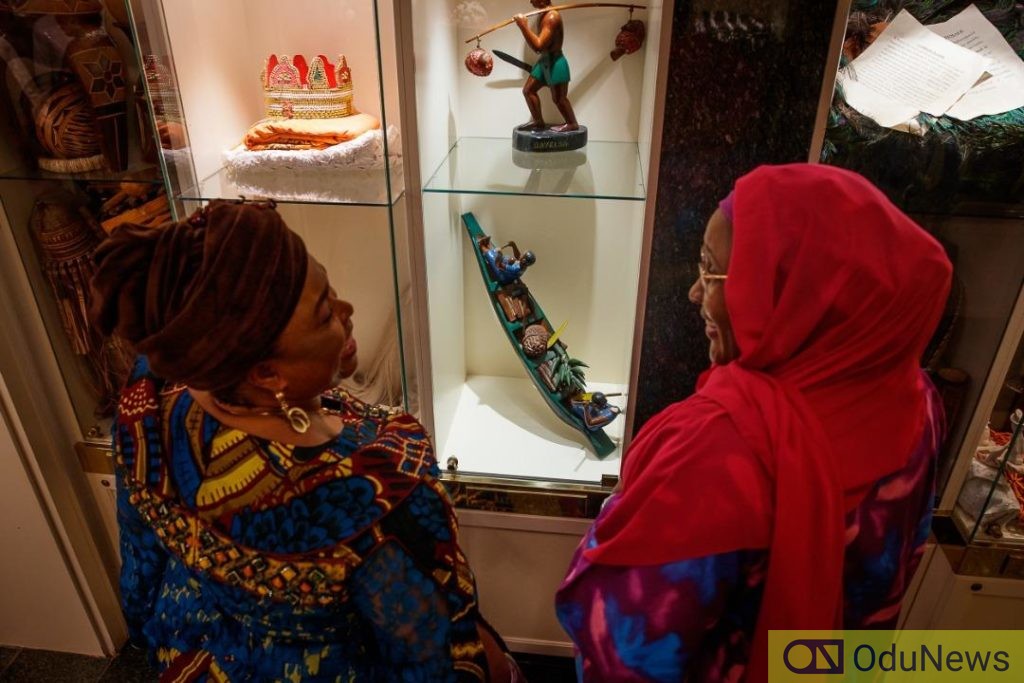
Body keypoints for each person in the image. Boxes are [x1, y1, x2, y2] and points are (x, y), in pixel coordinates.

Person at [91, 200, 518, 682]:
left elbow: (141, 564)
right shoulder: (373, 492)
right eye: (323, 316)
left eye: (327, 286)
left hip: (191, 643)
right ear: (267, 372)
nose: (347, 310)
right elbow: (437, 660)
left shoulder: (149, 394)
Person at [555, 164, 952, 682]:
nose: (695, 294)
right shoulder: (915, 398)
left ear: (797, 291)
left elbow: (621, 651)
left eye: (711, 271)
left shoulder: (716, 452)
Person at [514, 0, 579, 132]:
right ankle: (538, 122)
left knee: (559, 98)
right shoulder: (543, 13)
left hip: (555, 62)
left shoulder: (552, 17)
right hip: (545, 60)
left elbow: (538, 46)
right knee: (529, 91)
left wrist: (523, 26)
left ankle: (572, 123)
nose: (530, 1)